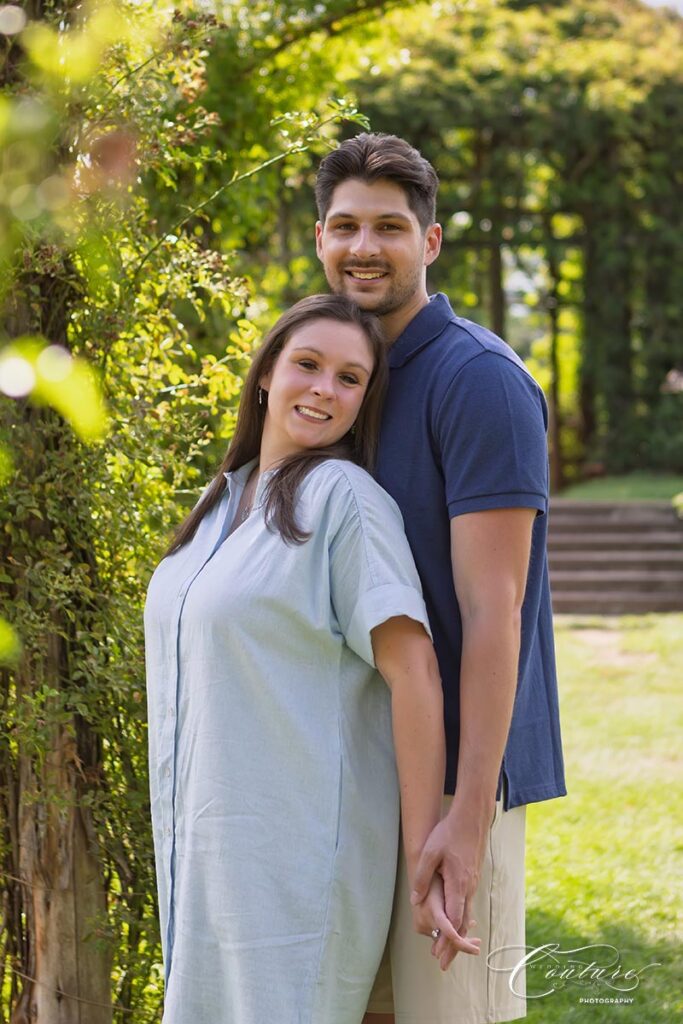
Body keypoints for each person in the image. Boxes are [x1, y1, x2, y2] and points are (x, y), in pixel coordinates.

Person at [144, 294, 481, 1024]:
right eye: (307, 364)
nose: (325, 389)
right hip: (204, 862)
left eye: (350, 378)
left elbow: (413, 672)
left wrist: (424, 851)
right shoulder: (220, 501)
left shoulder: (344, 501)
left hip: (293, 870)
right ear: (265, 374)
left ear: (365, 401)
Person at [314, 134, 567, 1024]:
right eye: (345, 226)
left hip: (460, 780)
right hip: (353, 775)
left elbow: (493, 613)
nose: (364, 247)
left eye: (389, 226)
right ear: (320, 239)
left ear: (428, 242)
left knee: (450, 1015)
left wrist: (465, 821)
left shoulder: (479, 381)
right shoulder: (339, 379)